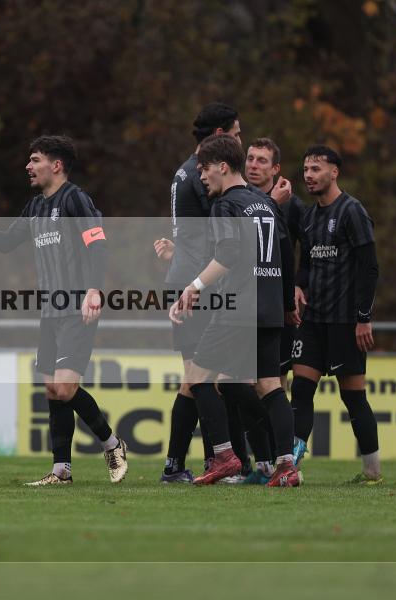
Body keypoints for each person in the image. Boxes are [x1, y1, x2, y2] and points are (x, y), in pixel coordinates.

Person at [0, 135, 128, 486]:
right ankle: (60, 471)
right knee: (52, 390)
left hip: (77, 308)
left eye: (34, 159)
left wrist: (94, 289)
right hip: (50, 311)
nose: (28, 166)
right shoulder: (35, 207)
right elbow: (6, 243)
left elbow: (98, 246)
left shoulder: (76, 200)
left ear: (56, 165)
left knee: (65, 389)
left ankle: (112, 443)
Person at [170, 133, 300, 487]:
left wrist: (194, 287)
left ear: (222, 167)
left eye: (205, 170)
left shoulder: (225, 205)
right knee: (270, 386)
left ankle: (226, 455)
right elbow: (286, 257)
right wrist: (287, 304)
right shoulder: (267, 203)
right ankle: (287, 465)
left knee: (197, 378)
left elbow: (226, 255)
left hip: (238, 308)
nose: (201, 177)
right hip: (269, 307)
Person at [153, 103, 253, 484]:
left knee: (197, 379)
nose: (239, 141)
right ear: (219, 137)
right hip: (198, 286)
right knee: (205, 379)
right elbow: (224, 237)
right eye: (236, 134)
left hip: (186, 278)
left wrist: (178, 252)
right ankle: (222, 462)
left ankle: (178, 464)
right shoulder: (205, 174)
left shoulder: (184, 171)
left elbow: (196, 235)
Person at [291, 145, 382, 484]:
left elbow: (369, 267)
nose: (309, 176)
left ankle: (372, 471)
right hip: (314, 321)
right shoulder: (310, 216)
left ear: (334, 172)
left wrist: (363, 317)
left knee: (353, 396)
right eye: (306, 169)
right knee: (300, 391)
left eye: (315, 169)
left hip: (346, 322)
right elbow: (307, 263)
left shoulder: (352, 211)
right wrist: (300, 285)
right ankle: (292, 465)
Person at [244, 137, 309, 469]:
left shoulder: (291, 205)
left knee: (273, 384)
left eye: (262, 161)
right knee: (251, 387)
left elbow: (300, 251)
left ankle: (281, 457)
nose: (254, 165)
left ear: (276, 168)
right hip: (249, 306)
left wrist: (297, 286)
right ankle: (265, 458)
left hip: (274, 309)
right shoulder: (244, 199)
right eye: (251, 158)